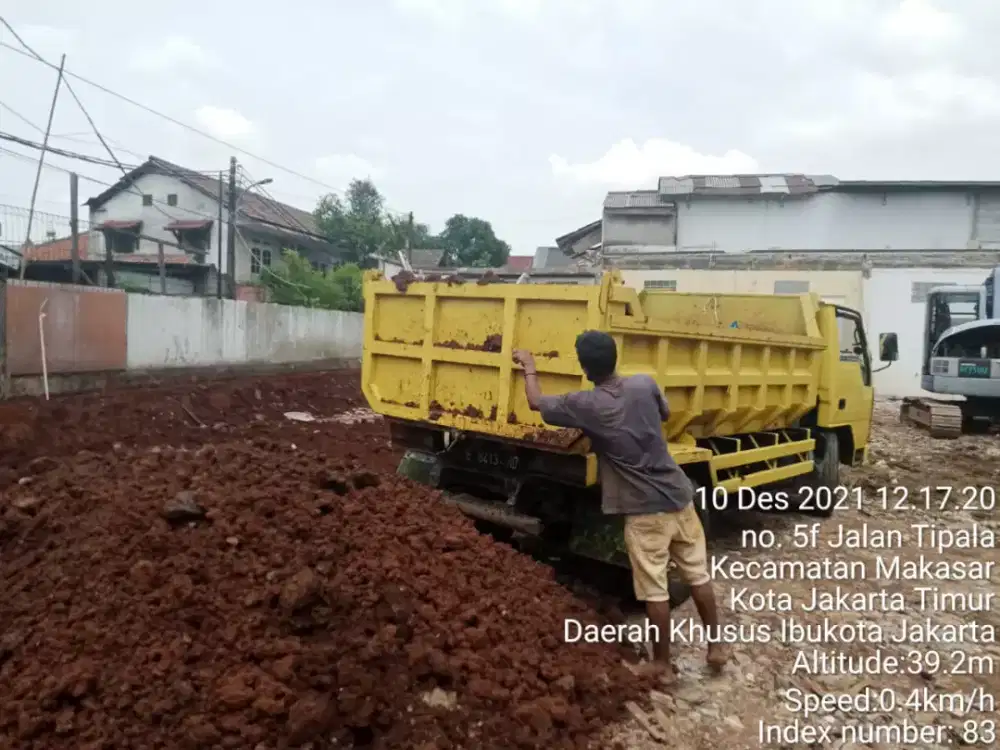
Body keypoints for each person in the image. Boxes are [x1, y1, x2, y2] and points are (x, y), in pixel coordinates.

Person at [513, 330, 729, 683]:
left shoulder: (588, 405)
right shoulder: (644, 384)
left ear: (584, 367)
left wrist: (530, 366)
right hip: (679, 495)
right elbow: (665, 413)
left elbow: (537, 404)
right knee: (697, 575)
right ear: (615, 357)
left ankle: (661, 664)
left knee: (655, 588)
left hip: (645, 512)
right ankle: (716, 648)